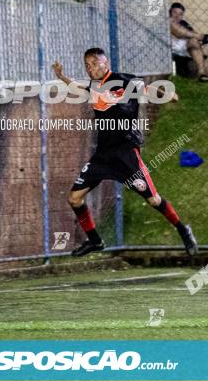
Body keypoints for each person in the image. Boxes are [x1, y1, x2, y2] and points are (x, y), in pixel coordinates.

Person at [51, 48, 198, 257]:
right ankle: (95, 241)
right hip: (103, 155)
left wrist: (168, 94)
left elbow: (148, 89)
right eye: (87, 65)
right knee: (74, 199)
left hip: (126, 153)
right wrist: (62, 76)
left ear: (105, 62)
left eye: (94, 63)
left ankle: (183, 229)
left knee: (153, 200)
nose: (90, 68)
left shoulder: (123, 81)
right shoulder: (94, 87)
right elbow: (79, 88)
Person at [169, 2, 208, 81]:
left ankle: (202, 73)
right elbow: (178, 34)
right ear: (170, 11)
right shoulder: (166, 20)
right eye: (175, 12)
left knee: (193, 41)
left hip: (184, 48)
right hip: (168, 47)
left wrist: (198, 40)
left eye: (180, 14)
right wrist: (200, 37)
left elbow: (192, 33)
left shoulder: (183, 23)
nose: (177, 16)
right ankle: (201, 37)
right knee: (196, 37)